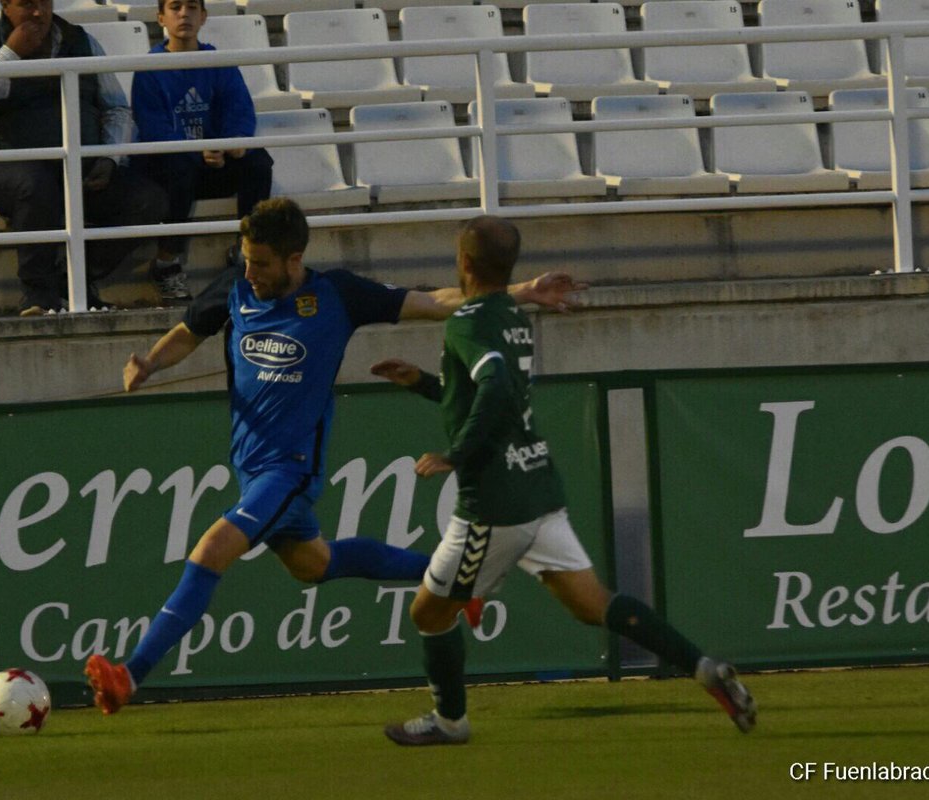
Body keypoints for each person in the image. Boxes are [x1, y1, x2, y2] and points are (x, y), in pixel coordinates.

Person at [84, 198, 583, 713]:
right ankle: (461, 582)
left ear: (294, 260)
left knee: (211, 552)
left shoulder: (339, 294)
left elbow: (433, 302)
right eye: (247, 259)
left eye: (260, 262)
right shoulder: (235, 288)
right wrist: (150, 362)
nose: (249, 271)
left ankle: (129, 676)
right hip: (250, 466)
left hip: (290, 470)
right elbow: (190, 332)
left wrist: (519, 291)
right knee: (314, 564)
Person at [370, 216, 757, 746]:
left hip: (495, 503)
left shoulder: (466, 322)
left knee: (428, 611)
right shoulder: (511, 314)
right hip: (536, 489)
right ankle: (703, 666)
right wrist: (421, 383)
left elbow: (497, 388)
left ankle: (450, 722)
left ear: (462, 263)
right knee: (591, 603)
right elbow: (485, 393)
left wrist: (458, 454)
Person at [0, 0, 170, 316]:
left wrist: (109, 158)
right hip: (9, 168)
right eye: (28, 4)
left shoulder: (82, 42)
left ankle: (73, 281)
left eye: (45, 3)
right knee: (36, 184)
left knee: (148, 200)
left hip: (79, 166)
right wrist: (9, 55)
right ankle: (38, 296)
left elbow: (116, 108)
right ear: (4, 5)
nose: (39, 13)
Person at [131, 0, 275, 300]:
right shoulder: (149, 68)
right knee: (179, 169)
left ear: (203, 16)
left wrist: (234, 141)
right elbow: (153, 128)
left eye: (192, 7)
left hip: (214, 162)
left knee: (258, 161)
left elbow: (239, 109)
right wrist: (196, 152)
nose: (184, 14)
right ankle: (166, 263)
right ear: (161, 18)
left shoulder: (218, 62)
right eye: (175, 7)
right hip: (170, 169)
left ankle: (247, 253)